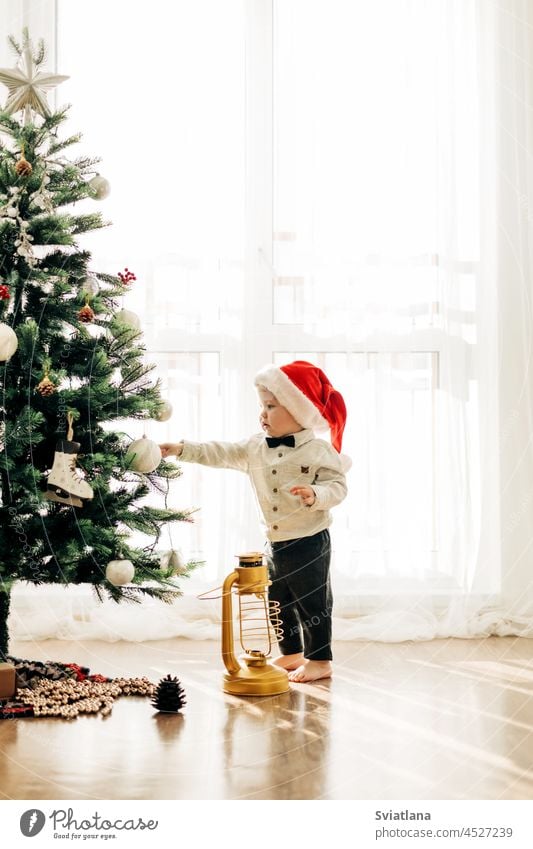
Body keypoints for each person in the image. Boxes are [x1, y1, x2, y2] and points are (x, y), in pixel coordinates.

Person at [159, 360, 349, 683]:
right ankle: (292, 651)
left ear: (298, 412)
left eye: (271, 406)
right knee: (277, 599)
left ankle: (320, 660)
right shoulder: (254, 448)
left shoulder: (317, 451)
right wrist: (182, 449)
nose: (263, 414)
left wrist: (316, 495)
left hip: (310, 539)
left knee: (312, 601)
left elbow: (338, 486)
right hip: (275, 542)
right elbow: (219, 452)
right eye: (262, 406)